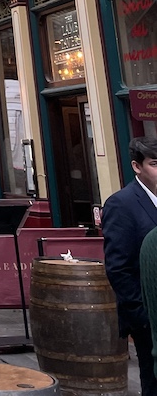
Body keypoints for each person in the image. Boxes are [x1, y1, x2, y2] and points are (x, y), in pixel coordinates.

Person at [103, 137, 157, 396]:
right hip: (149, 317)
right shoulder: (121, 204)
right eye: (155, 164)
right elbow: (119, 268)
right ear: (137, 167)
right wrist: (143, 318)